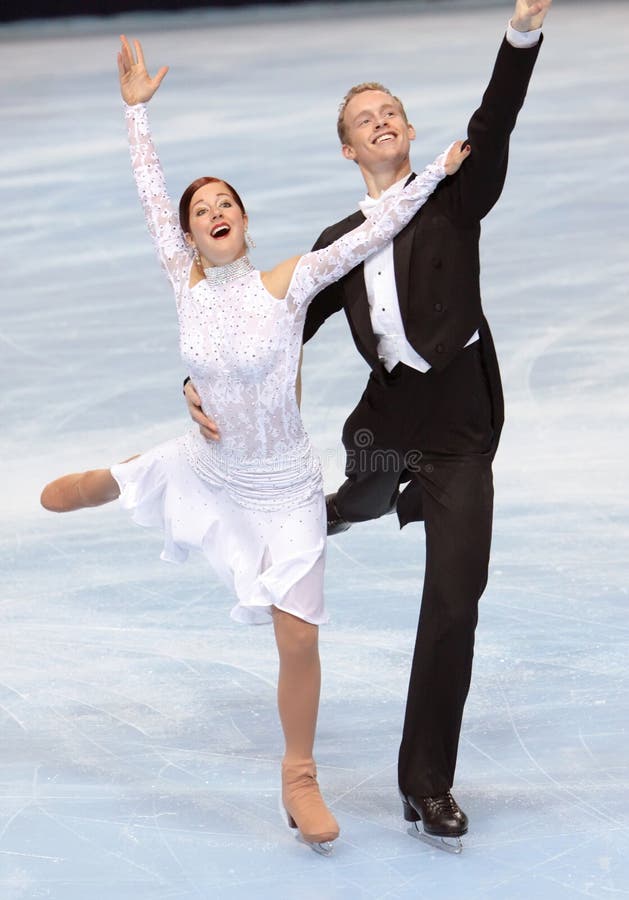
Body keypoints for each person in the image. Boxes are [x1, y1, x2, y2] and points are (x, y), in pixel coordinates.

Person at [40, 36, 470, 855]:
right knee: (94, 488)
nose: (212, 211)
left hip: (284, 490)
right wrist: (135, 112)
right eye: (199, 210)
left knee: (299, 634)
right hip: (209, 469)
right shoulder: (184, 282)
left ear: (242, 218)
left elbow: (370, 229)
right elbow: (149, 191)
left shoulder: (291, 281)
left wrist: (436, 174)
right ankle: (117, 478)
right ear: (190, 237)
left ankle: (298, 779)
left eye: (223, 202)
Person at [184, 0, 552, 853]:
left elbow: (493, 121)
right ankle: (349, 504)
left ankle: (425, 784)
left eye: (390, 112)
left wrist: (520, 35)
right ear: (347, 149)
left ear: (409, 130)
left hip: (457, 434)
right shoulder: (336, 242)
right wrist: (194, 384)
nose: (380, 122)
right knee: (363, 482)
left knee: (455, 602)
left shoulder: (454, 198)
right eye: (363, 119)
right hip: (383, 429)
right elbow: (260, 330)